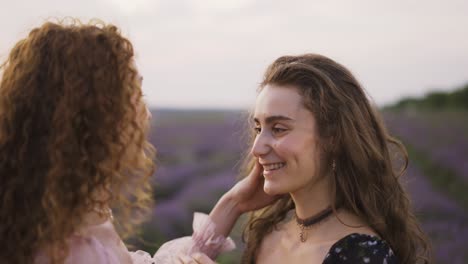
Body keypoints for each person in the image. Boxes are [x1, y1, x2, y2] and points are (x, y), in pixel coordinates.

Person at [0, 20, 276, 264]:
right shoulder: (71, 246)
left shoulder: (57, 213)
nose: (146, 112)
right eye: (136, 91)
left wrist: (233, 203)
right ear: (96, 112)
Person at [180, 54, 433, 264]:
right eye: (258, 128)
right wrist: (233, 203)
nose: (257, 148)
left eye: (278, 128)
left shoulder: (363, 255)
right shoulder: (269, 234)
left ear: (332, 137)